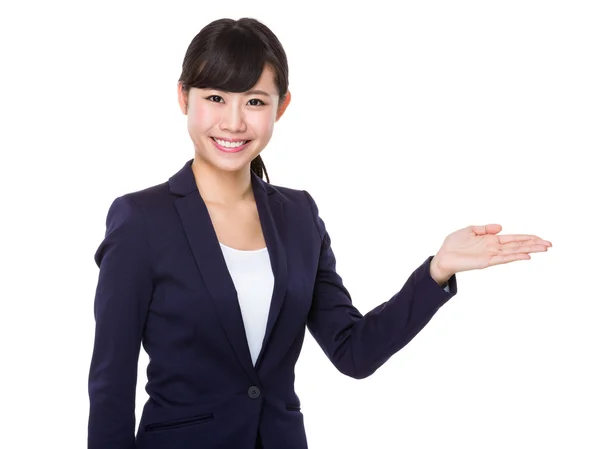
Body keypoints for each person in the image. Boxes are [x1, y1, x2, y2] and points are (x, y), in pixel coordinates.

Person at [87, 17, 552, 449]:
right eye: (215, 98)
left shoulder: (298, 216)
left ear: (281, 106)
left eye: (254, 101)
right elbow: (111, 383)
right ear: (184, 96)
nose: (233, 121)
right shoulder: (141, 220)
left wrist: (438, 269)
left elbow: (354, 352)